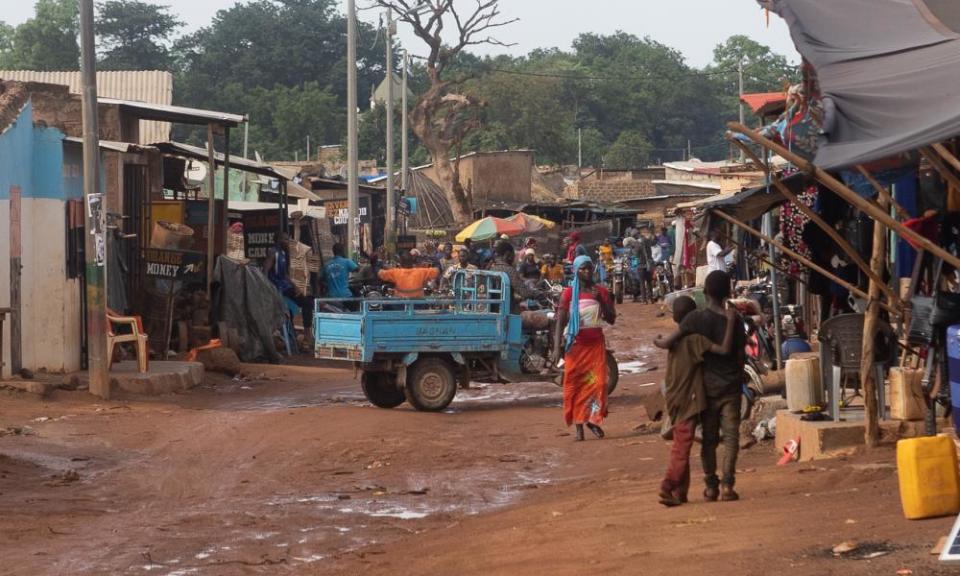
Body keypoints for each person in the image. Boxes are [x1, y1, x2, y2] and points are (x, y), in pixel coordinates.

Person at [654, 296, 737, 507]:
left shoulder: (675, 341)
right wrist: (730, 321)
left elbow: (663, 342)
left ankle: (680, 492)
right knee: (682, 446)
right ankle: (668, 486)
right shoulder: (694, 341)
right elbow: (725, 349)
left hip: (675, 398)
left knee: (683, 443)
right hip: (687, 400)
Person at [675, 270, 746, 502]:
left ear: (705, 292)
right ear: (728, 292)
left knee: (709, 438)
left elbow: (675, 340)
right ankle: (728, 485)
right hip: (732, 386)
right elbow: (740, 353)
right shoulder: (734, 320)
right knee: (731, 437)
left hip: (706, 387)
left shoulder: (695, 319)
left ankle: (711, 486)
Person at [552, 255, 616, 441]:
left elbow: (611, 319)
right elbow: (560, 321)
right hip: (575, 345)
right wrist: (557, 347)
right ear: (576, 271)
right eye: (582, 269)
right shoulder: (569, 294)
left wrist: (602, 301)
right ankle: (579, 426)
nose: (586, 272)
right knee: (574, 386)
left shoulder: (601, 291)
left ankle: (592, 419)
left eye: (589, 268)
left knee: (599, 384)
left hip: (595, 344)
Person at [265, 233, 315, 341]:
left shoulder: (283, 253)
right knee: (300, 304)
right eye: (285, 239)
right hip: (278, 288)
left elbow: (285, 274)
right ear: (278, 240)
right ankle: (301, 335)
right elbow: (266, 271)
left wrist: (296, 286)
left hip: (286, 287)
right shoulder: (273, 252)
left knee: (308, 300)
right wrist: (267, 289)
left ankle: (306, 333)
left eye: (288, 239)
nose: (288, 242)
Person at [489, 241, 535, 315]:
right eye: (514, 255)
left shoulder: (492, 269)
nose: (514, 258)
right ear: (508, 255)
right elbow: (525, 293)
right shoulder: (510, 270)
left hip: (493, 309)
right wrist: (537, 294)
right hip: (507, 312)